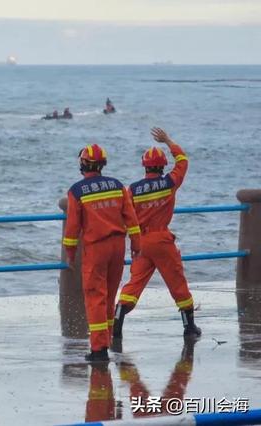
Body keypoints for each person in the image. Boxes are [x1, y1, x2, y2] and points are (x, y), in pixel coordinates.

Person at [113, 128, 201, 340]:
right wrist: (168, 141)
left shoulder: (132, 190)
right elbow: (183, 161)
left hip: (141, 241)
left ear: (144, 166)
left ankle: (116, 325)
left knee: (134, 283)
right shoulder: (169, 182)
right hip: (161, 239)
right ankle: (189, 328)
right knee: (176, 281)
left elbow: (124, 215)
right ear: (162, 166)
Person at [62, 144, 141, 362]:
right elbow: (131, 218)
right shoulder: (117, 186)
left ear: (83, 164)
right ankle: (105, 339)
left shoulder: (77, 191)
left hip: (96, 248)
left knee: (95, 296)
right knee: (108, 295)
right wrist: (136, 243)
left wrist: (69, 251)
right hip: (118, 246)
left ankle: (98, 349)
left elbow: (72, 228)